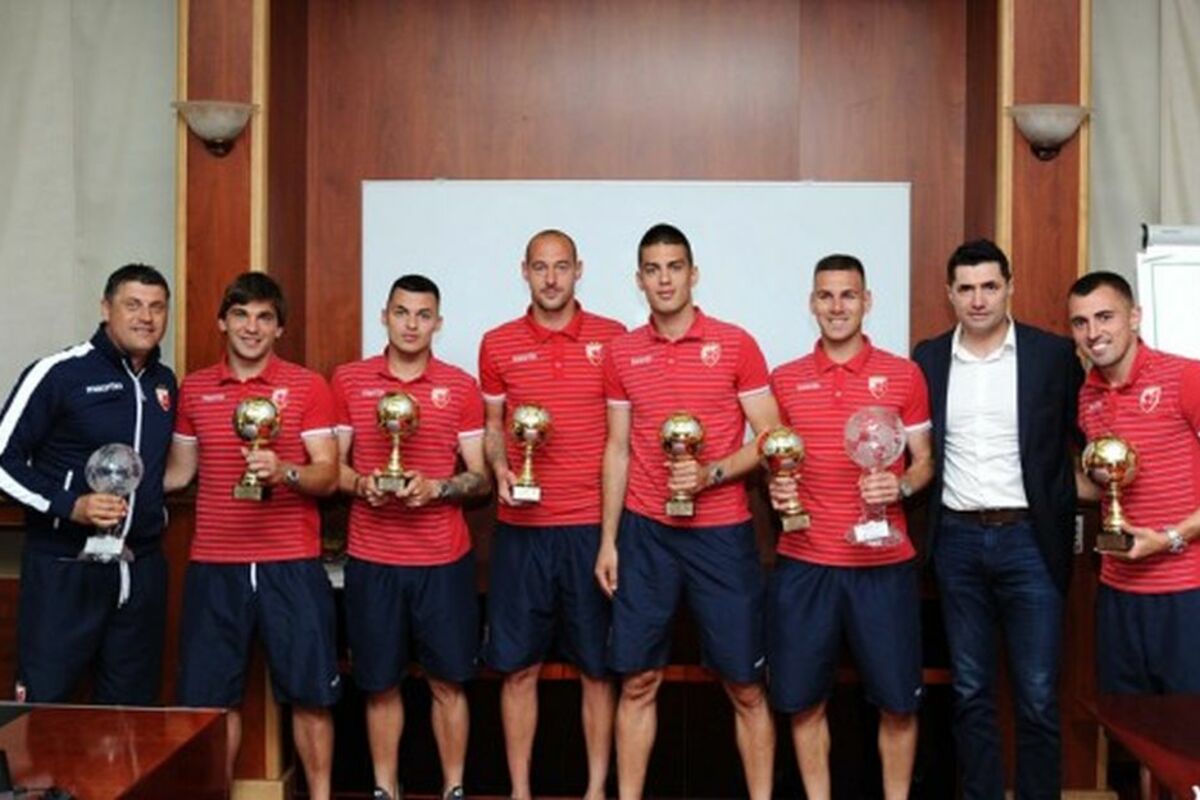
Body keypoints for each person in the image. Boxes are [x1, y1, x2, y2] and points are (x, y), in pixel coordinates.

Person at [595, 223, 779, 800]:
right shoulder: (622, 352)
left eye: (674, 267)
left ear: (693, 274)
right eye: (653, 269)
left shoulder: (736, 344)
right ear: (639, 280)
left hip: (721, 534)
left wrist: (710, 474)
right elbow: (618, 448)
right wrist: (609, 541)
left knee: (745, 684)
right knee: (637, 681)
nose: (664, 279)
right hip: (646, 532)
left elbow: (771, 437)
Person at [913, 239, 1082, 800]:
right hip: (957, 543)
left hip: (1031, 542)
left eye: (989, 286)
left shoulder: (1052, 355)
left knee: (1037, 695)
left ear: (1010, 286)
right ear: (950, 294)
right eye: (966, 288)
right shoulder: (929, 359)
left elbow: (1086, 437)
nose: (978, 299)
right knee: (969, 691)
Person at [165, 272, 341, 800]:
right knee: (212, 703)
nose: (251, 327)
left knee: (311, 696)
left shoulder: (308, 386)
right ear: (222, 321)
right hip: (215, 562)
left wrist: (285, 470)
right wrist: (116, 480)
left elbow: (328, 474)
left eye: (265, 317)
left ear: (279, 328)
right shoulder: (195, 388)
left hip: (292, 561)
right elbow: (178, 473)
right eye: (240, 315)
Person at [767, 254, 933, 800]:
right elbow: (775, 459)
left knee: (898, 704)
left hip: (883, 565)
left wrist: (900, 486)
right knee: (803, 701)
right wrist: (779, 488)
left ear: (867, 302)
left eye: (848, 295)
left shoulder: (905, 375)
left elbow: (924, 462)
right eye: (826, 295)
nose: (837, 307)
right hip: (806, 561)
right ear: (812, 303)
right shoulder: (785, 379)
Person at [478, 230, 624, 800]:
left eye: (561, 266)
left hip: (590, 528)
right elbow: (494, 427)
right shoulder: (497, 343)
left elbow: (622, 437)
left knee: (597, 669)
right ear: (525, 271)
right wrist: (500, 468)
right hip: (522, 532)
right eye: (540, 267)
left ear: (578, 270)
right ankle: (519, 791)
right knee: (517, 669)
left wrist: (610, 536)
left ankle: (595, 791)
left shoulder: (613, 338)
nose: (551, 278)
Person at [332, 274, 489, 800]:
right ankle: (385, 788)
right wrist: (363, 485)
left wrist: (439, 488)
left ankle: (453, 787)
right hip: (372, 557)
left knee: (449, 681)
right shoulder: (349, 380)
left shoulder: (460, 386)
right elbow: (332, 469)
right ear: (385, 316)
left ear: (437, 323)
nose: (411, 325)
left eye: (423, 315)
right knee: (379, 682)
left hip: (443, 560)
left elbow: (480, 478)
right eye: (401, 313)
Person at [0, 264, 176, 705]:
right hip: (65, 567)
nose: (146, 317)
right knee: (43, 707)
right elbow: (3, 460)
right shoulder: (59, 373)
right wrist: (69, 505)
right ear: (105, 308)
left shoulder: (164, 382)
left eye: (157, 307)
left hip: (139, 569)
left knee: (131, 713)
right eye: (132, 305)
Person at [1067, 271, 1200, 694]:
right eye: (1081, 322)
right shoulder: (1087, 397)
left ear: (1135, 317)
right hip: (1118, 589)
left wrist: (1169, 538)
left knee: (1187, 725)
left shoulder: (1186, 377)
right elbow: (1105, 487)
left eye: (1105, 317)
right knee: (1128, 722)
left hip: (1186, 590)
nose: (1093, 332)